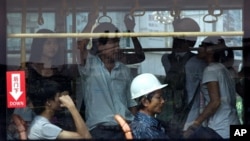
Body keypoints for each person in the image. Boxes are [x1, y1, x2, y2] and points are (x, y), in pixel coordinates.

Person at [76, 18, 139, 139]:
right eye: (112, 43)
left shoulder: (124, 70)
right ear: (99, 46)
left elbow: (131, 103)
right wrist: (92, 17)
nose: (116, 47)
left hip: (126, 127)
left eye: (117, 43)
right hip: (100, 130)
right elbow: (80, 45)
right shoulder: (89, 66)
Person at [13, 28, 77, 131]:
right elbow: (15, 97)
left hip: (55, 119)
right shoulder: (26, 69)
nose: (53, 47)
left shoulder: (61, 72)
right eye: (48, 43)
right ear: (39, 45)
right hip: (27, 120)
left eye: (55, 43)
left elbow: (67, 97)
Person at [156, 18, 206, 139]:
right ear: (193, 41)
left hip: (167, 117)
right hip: (189, 119)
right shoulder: (199, 62)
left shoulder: (166, 59)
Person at [183, 36, 241, 139]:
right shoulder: (224, 69)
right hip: (233, 124)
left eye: (202, 46)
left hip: (221, 129)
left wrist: (194, 125)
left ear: (210, 51)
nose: (198, 49)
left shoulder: (210, 70)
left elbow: (215, 102)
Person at [27, 79, 91, 140]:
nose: (62, 98)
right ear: (49, 102)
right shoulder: (43, 127)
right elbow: (85, 136)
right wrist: (72, 107)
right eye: (59, 96)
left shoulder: (38, 122)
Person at [129, 73, 169, 139]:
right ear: (145, 102)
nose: (162, 101)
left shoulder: (148, 125)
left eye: (162, 97)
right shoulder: (146, 129)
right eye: (158, 98)